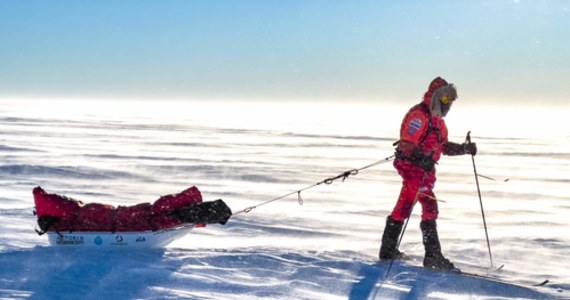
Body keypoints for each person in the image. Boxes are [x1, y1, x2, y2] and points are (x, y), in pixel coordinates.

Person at [379, 76, 477, 270]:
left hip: (424, 171)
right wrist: (419, 159)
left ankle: (388, 250)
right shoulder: (419, 115)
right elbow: (407, 143)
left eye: (450, 101)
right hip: (412, 169)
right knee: (429, 205)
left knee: (404, 207)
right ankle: (432, 256)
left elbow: (444, 146)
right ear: (436, 97)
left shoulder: (438, 121)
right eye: (446, 99)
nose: (448, 104)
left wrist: (464, 149)